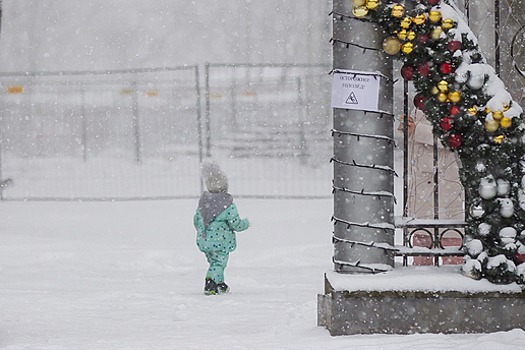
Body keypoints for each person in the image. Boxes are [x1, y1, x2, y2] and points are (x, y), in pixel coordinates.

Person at [399, 109, 464, 265]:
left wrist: (417, 130)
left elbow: (454, 138)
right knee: (421, 255)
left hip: (446, 182)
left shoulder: (456, 105)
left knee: (453, 253)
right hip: (422, 185)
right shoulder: (420, 105)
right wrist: (407, 127)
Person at [193, 160, 250, 295]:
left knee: (214, 262)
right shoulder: (228, 205)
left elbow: (196, 220)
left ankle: (219, 283)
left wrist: (203, 231)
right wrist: (246, 224)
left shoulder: (203, 203)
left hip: (205, 239)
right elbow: (235, 223)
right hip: (221, 241)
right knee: (219, 263)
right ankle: (210, 282)